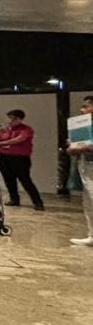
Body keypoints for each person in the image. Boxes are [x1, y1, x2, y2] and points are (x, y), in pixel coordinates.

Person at [0, 109, 44, 210]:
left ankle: (38, 202)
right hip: (4, 157)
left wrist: (2, 143)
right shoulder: (4, 129)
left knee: (25, 180)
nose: (9, 120)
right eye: (9, 118)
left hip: (19, 158)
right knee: (9, 180)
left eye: (12, 118)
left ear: (19, 119)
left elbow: (19, 139)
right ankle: (14, 199)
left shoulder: (26, 129)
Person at [68, 95, 93, 246]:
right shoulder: (82, 126)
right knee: (88, 201)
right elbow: (72, 150)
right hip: (84, 163)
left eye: (86, 106)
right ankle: (91, 235)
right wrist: (73, 147)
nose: (82, 110)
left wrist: (84, 146)